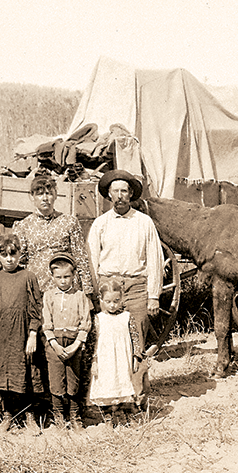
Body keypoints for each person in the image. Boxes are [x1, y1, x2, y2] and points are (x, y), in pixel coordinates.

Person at [85, 169, 163, 397]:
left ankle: (138, 396)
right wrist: (95, 294)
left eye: (124, 191)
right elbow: (92, 260)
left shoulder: (144, 222)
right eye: (115, 191)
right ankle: (112, 395)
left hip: (137, 287)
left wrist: (153, 295)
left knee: (136, 343)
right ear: (109, 195)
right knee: (109, 343)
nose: (119, 196)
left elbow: (155, 260)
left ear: (130, 195)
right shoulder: (100, 224)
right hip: (109, 288)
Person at [0, 234, 44, 432]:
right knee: (3, 373)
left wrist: (33, 333)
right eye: (4, 255)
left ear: (20, 254)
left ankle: (30, 417)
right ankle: (7, 415)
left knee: (25, 373)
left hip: (22, 333)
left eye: (13, 254)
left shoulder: (28, 276)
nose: (9, 259)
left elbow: (36, 306)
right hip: (1, 334)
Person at [13, 172, 96, 297]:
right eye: (40, 194)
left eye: (49, 193)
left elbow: (80, 258)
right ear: (32, 196)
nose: (45, 198)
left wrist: (87, 292)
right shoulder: (23, 226)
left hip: (67, 291)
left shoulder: (69, 222)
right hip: (38, 291)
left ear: (56, 195)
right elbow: (20, 262)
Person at [42, 252, 93, 430]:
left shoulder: (80, 296)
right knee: (56, 380)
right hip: (54, 344)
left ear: (73, 276)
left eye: (67, 277)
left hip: (74, 344)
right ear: (52, 277)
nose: (63, 281)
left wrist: (76, 345)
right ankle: (58, 417)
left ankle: (75, 415)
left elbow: (85, 323)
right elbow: (46, 323)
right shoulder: (48, 296)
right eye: (59, 277)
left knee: (73, 380)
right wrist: (54, 344)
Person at [88, 276, 143, 420]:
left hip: (123, 358)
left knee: (123, 382)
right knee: (107, 383)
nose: (112, 305)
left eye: (116, 301)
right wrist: (94, 361)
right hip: (106, 359)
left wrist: (136, 357)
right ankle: (107, 414)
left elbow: (135, 338)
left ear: (122, 298)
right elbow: (94, 342)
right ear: (101, 300)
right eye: (108, 302)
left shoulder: (127, 317)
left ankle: (124, 412)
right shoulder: (99, 318)